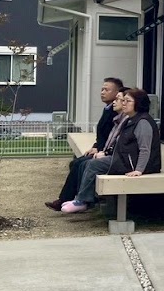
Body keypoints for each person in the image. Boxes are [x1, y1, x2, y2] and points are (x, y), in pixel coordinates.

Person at [61, 87, 161, 213]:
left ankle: (83, 201)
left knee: (94, 164)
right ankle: (81, 199)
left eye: (128, 101)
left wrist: (139, 170)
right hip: (125, 159)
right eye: (123, 100)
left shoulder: (142, 122)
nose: (123, 103)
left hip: (132, 164)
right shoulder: (130, 119)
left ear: (138, 104)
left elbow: (145, 149)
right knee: (86, 162)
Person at [46, 76, 124, 211]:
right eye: (102, 89)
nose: (102, 92)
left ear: (117, 93)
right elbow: (104, 135)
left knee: (81, 164)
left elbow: (112, 138)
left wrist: (101, 150)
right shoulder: (108, 109)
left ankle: (77, 200)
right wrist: (96, 147)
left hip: (108, 153)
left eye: (107, 90)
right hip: (102, 149)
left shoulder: (116, 113)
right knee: (76, 163)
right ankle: (74, 198)